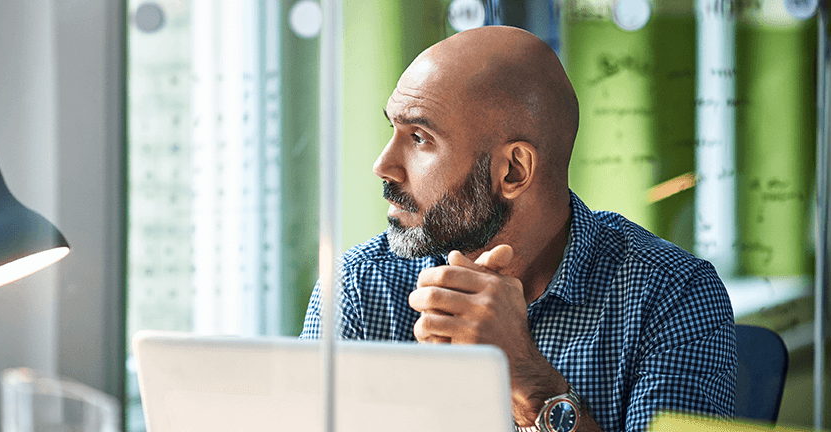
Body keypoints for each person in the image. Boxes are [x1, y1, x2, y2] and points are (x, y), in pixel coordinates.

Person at [300, 26, 736, 432]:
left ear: (513, 171)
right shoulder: (358, 288)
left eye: (419, 138)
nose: (383, 165)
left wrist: (526, 378)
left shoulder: (672, 295)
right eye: (392, 129)